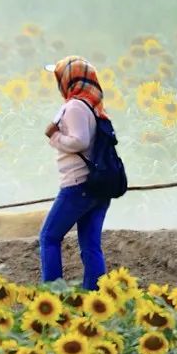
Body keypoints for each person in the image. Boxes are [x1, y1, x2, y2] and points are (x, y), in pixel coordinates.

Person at [39, 56, 111, 290]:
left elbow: (80, 141)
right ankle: (95, 297)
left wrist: (55, 137)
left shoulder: (75, 106)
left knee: (49, 238)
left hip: (78, 185)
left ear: (67, 79)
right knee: (91, 245)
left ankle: (52, 294)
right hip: (97, 186)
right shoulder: (93, 106)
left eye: (58, 77)